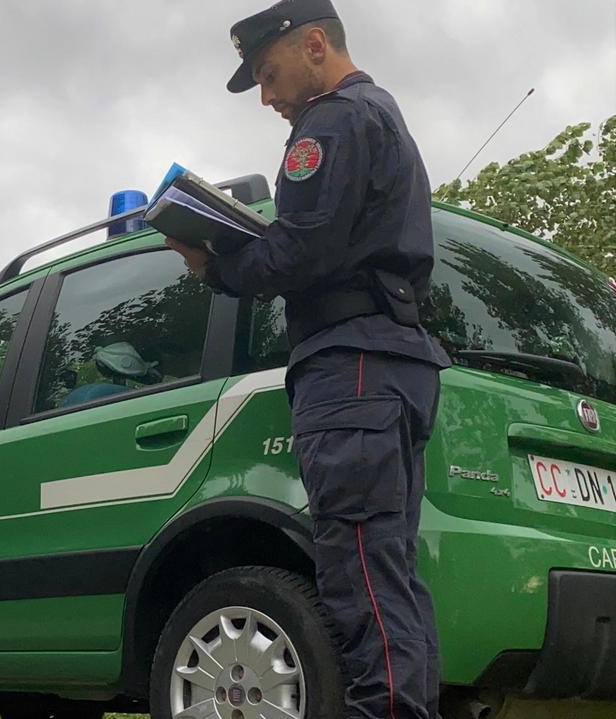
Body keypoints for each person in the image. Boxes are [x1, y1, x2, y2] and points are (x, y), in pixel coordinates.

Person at [165, 1, 451, 717]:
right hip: (397, 361)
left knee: (358, 572)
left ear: (315, 45)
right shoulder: (385, 116)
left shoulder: (329, 122)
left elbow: (300, 249)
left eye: (268, 73)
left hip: (351, 362)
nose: (267, 97)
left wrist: (215, 265)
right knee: (391, 574)